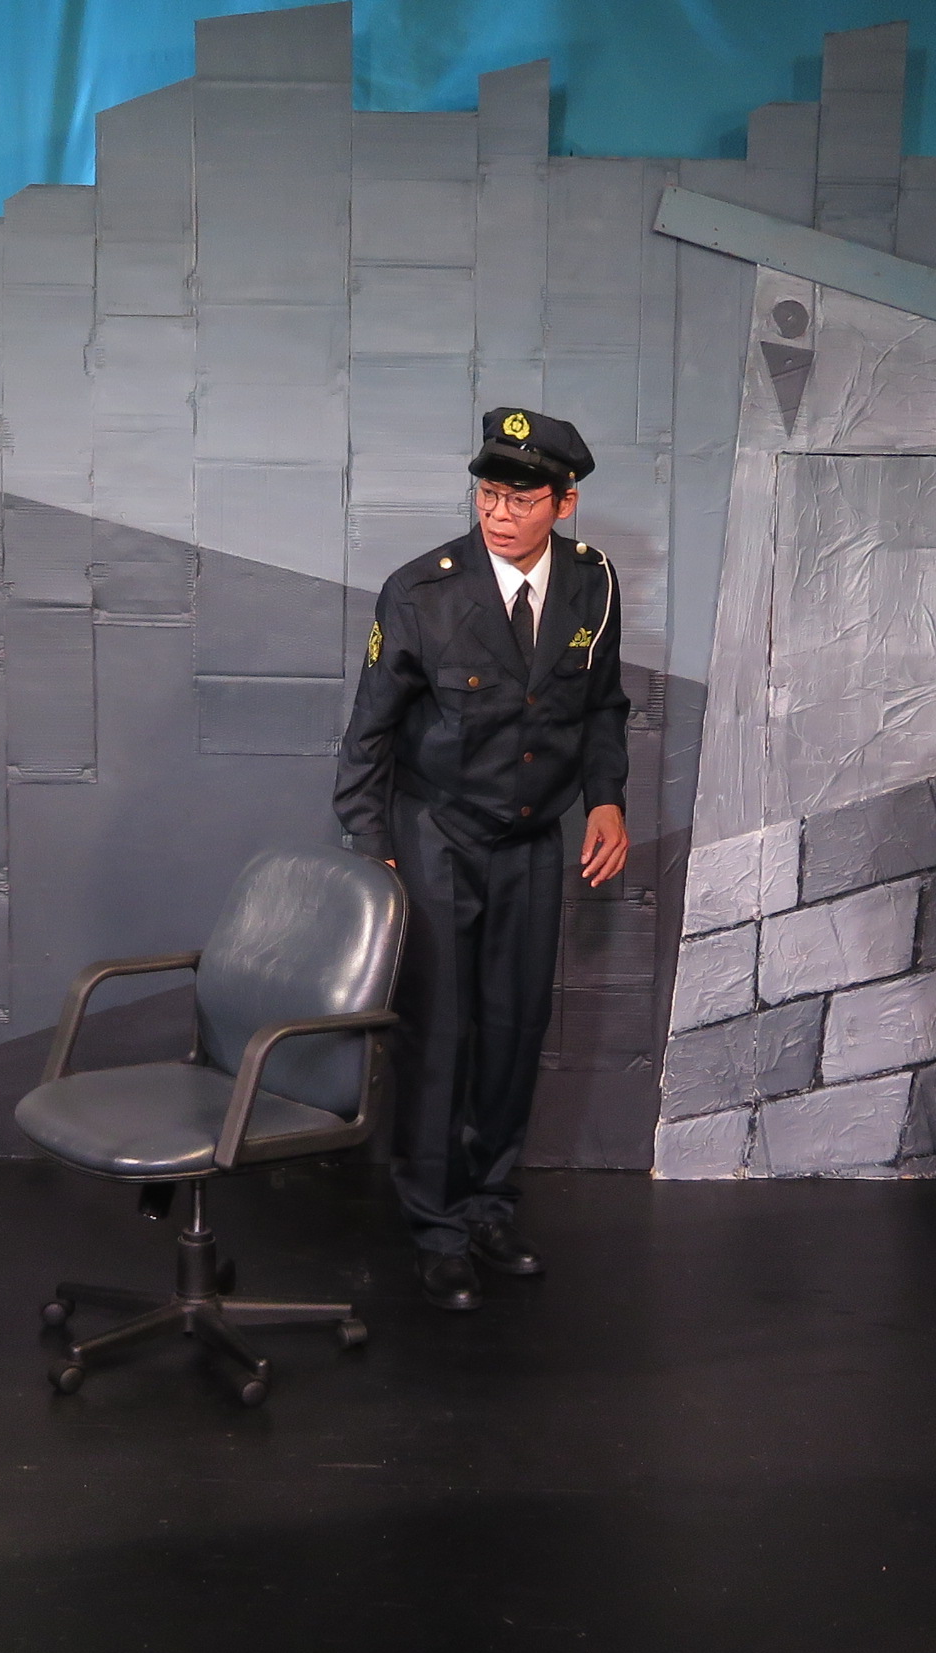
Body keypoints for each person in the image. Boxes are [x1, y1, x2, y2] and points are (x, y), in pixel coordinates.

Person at [335, 409, 630, 1311]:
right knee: (439, 1033)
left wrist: (607, 797)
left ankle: (491, 1205)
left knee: (514, 1028)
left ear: (564, 503)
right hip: (437, 835)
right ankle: (436, 1224)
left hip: (531, 842)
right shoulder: (420, 591)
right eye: (488, 494)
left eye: (521, 498)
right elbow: (369, 733)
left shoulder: (593, 584)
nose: (500, 513)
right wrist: (373, 849)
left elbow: (603, 705)